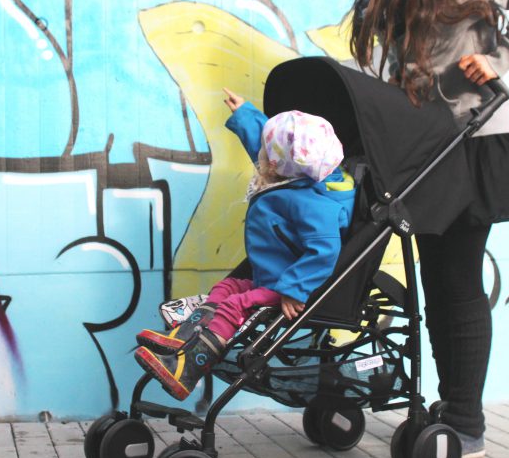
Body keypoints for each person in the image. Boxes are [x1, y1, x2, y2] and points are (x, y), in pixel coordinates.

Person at [349, 0, 509, 458]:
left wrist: (503, 59)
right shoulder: (379, 2)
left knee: (455, 280)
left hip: (474, 147)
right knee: (437, 280)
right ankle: (456, 408)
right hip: (428, 152)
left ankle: (466, 420)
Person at [134, 90, 356, 400]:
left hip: (285, 286)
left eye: (269, 155)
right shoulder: (294, 174)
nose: (262, 158)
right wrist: (246, 115)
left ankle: (189, 367)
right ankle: (182, 341)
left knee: (235, 304)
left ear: (279, 165)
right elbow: (270, 147)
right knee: (225, 288)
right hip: (269, 275)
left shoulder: (314, 204)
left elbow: (324, 251)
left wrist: (293, 288)